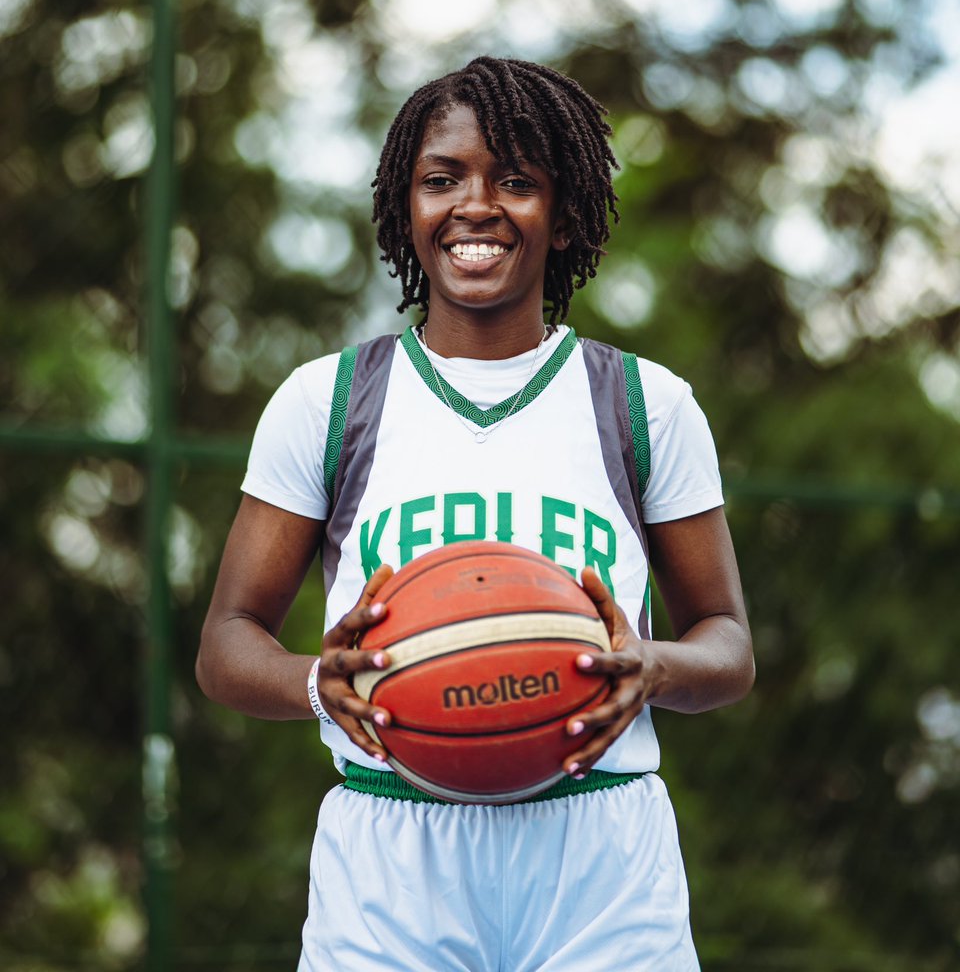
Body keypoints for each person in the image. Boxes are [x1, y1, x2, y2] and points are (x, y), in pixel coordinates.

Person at [196, 56, 755, 971]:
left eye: (518, 180)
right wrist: (315, 683)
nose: (476, 205)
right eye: (441, 179)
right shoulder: (327, 401)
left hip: (601, 847)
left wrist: (652, 665)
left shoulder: (646, 405)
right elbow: (226, 642)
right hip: (390, 848)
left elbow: (729, 645)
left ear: (565, 213)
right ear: (404, 207)